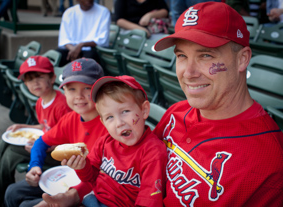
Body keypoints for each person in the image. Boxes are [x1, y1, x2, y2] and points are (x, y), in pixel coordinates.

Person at [35, 2, 283, 206]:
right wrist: (76, 193)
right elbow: (128, 168)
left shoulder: (270, 162)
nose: (188, 72)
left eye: (206, 55)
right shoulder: (178, 111)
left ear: (242, 59)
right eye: (181, 56)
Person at [4, 58, 109, 207]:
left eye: (87, 88)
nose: (78, 96)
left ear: (100, 90)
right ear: (64, 91)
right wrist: (34, 166)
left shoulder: (111, 124)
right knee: (12, 192)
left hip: (94, 190)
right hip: (70, 178)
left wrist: (71, 196)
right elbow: (41, 142)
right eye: (72, 89)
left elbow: (104, 177)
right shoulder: (71, 118)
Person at [0, 55, 71, 207]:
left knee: (12, 153)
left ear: (52, 78)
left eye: (39, 76)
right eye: (29, 79)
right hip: (45, 145)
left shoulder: (62, 105)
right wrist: (22, 126)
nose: (35, 82)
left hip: (57, 154)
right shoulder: (40, 101)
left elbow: (70, 142)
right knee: (5, 141)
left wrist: (44, 147)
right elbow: (45, 127)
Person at [66, 75, 168, 206]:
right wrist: (81, 166)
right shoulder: (105, 142)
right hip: (93, 198)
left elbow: (149, 200)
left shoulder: (153, 152)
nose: (119, 123)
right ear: (102, 122)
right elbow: (90, 177)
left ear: (144, 110)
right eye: (109, 117)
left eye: (125, 111)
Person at [56, 0, 110, 67]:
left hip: (92, 49)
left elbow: (102, 39)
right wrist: (74, 50)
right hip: (71, 49)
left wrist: (81, 45)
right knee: (57, 55)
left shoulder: (103, 12)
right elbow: (64, 39)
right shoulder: (69, 12)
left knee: (89, 59)